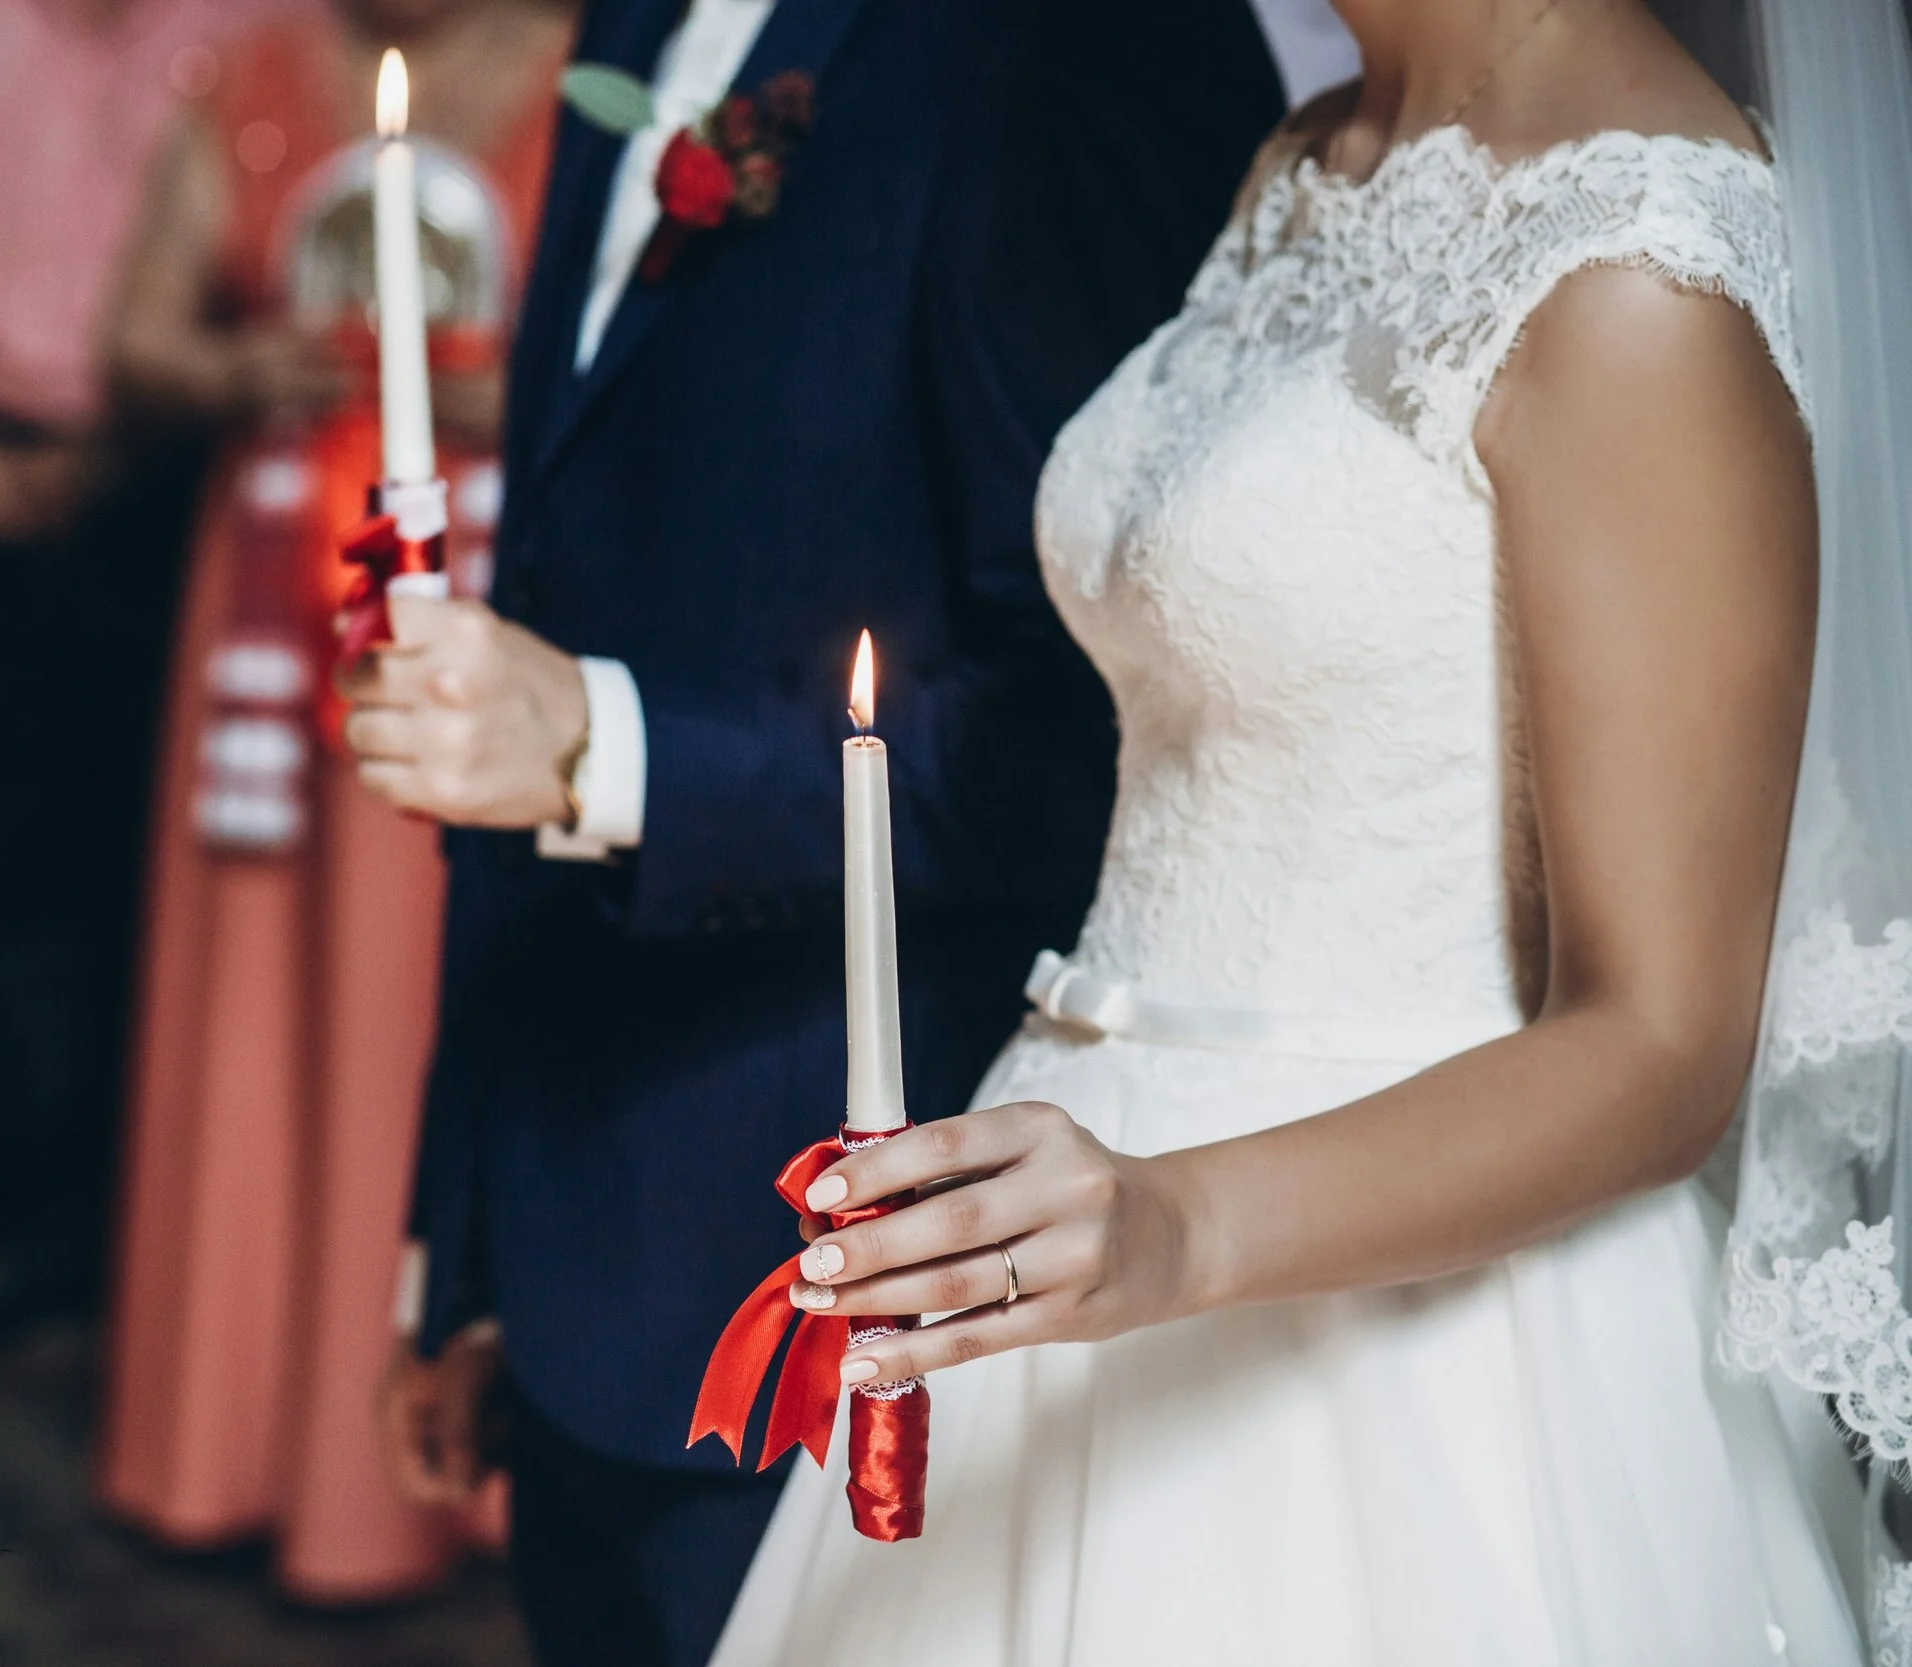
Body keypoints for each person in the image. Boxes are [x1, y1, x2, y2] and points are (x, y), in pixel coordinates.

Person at [700, 0, 1912, 1657]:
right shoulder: (1321, 146)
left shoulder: (1641, 259)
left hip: (1430, 1340)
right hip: (1067, 1171)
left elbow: (1665, 1039)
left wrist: (1173, 1220)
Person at [338, 0, 1303, 1660]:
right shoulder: (634, 22)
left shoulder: (1081, 46)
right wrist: (467, 1238)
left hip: (864, 1277)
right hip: (577, 1222)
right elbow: (561, 571)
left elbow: (1100, 728)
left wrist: (611, 745)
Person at [93, 0, 573, 1602]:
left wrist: (515, 399)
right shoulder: (247, 75)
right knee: (261, 1019)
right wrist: (247, 365)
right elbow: (136, 341)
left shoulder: (592, 74)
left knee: (446, 1003)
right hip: (272, 620)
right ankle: (239, 1434)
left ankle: (471, 1457)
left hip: (496, 616)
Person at [0, 0, 270, 1358]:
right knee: (7, 850)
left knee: (162, 858)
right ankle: (35, 1219)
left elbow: (258, 272)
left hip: (156, 489)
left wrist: (118, 460)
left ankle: (150, 1232)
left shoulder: (253, 28)